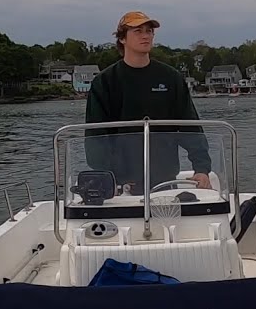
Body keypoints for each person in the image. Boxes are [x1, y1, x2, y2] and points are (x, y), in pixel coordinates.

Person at [84, 11, 213, 195]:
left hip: (165, 181)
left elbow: (190, 126)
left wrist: (201, 168)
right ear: (122, 38)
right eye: (138, 31)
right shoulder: (104, 82)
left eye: (149, 31)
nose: (145, 36)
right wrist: (110, 175)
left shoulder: (171, 78)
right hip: (121, 186)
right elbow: (95, 138)